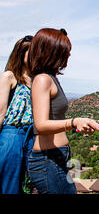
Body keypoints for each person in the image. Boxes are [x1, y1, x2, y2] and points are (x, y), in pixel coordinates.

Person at [26, 28, 99, 194]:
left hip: (56, 157)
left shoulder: (51, 79)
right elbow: (41, 124)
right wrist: (74, 122)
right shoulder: (43, 80)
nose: (69, 55)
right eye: (65, 51)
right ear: (52, 51)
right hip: (47, 159)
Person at [0, 35, 34, 194]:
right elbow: (1, 112)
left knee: (30, 184)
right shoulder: (9, 76)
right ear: (21, 53)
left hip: (33, 136)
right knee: (10, 183)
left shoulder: (36, 80)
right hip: (12, 135)